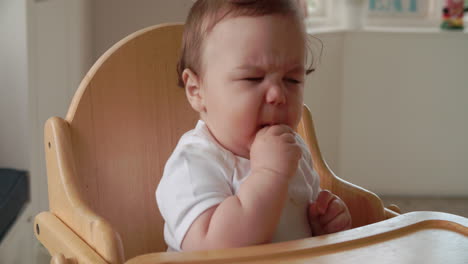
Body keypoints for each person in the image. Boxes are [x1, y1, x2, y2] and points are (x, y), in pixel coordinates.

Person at [156, 0, 351, 252]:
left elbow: (293, 234)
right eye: (253, 78)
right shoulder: (193, 165)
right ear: (196, 90)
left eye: (292, 80)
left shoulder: (292, 151)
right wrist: (269, 174)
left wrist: (320, 226)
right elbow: (211, 249)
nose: (277, 95)